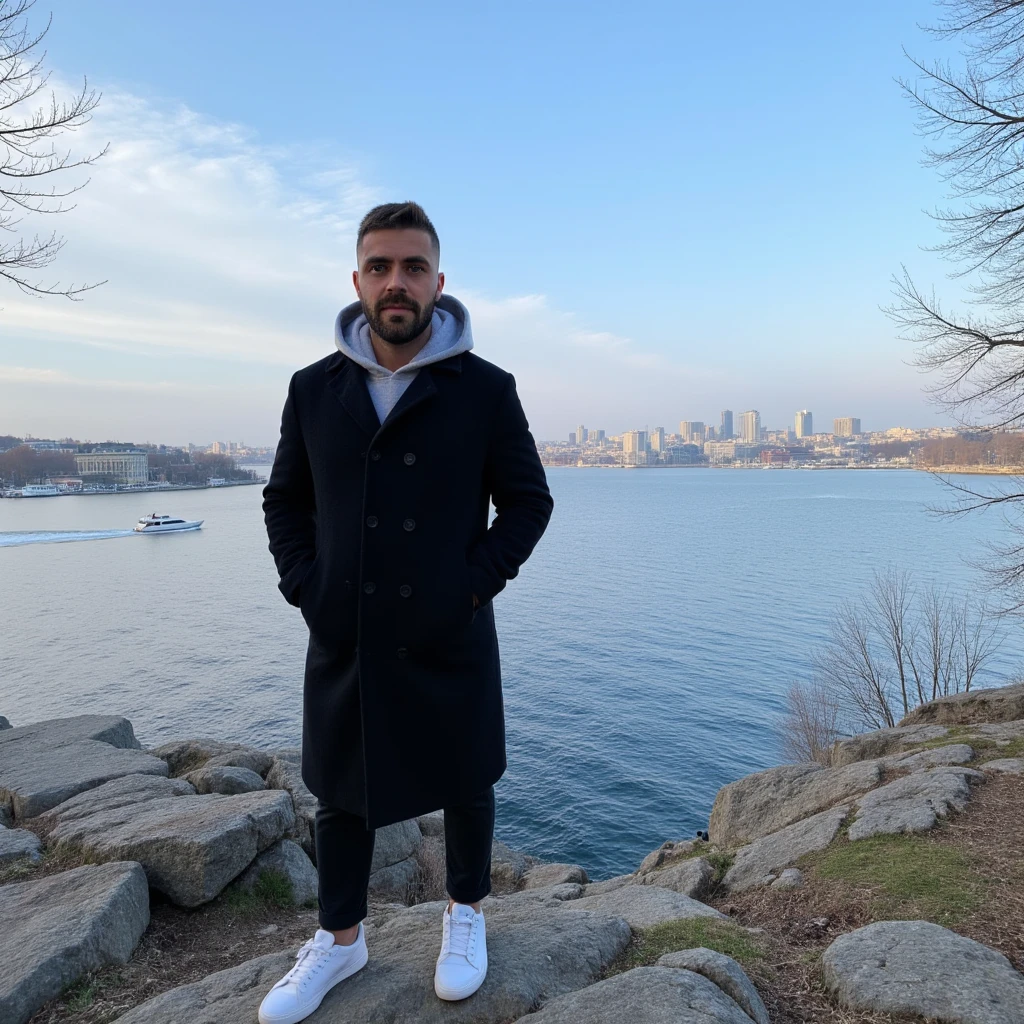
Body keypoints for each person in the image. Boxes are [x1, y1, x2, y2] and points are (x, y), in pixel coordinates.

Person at [259, 201, 553, 1024]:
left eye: (413, 267)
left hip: (448, 625)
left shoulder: (486, 389)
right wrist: (306, 586)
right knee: (340, 787)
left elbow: (528, 503)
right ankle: (340, 939)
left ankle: (466, 919)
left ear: (438, 282)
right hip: (345, 625)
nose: (397, 283)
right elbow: (285, 501)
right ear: (357, 282)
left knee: (467, 779)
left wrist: (470, 586)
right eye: (381, 267)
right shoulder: (313, 389)